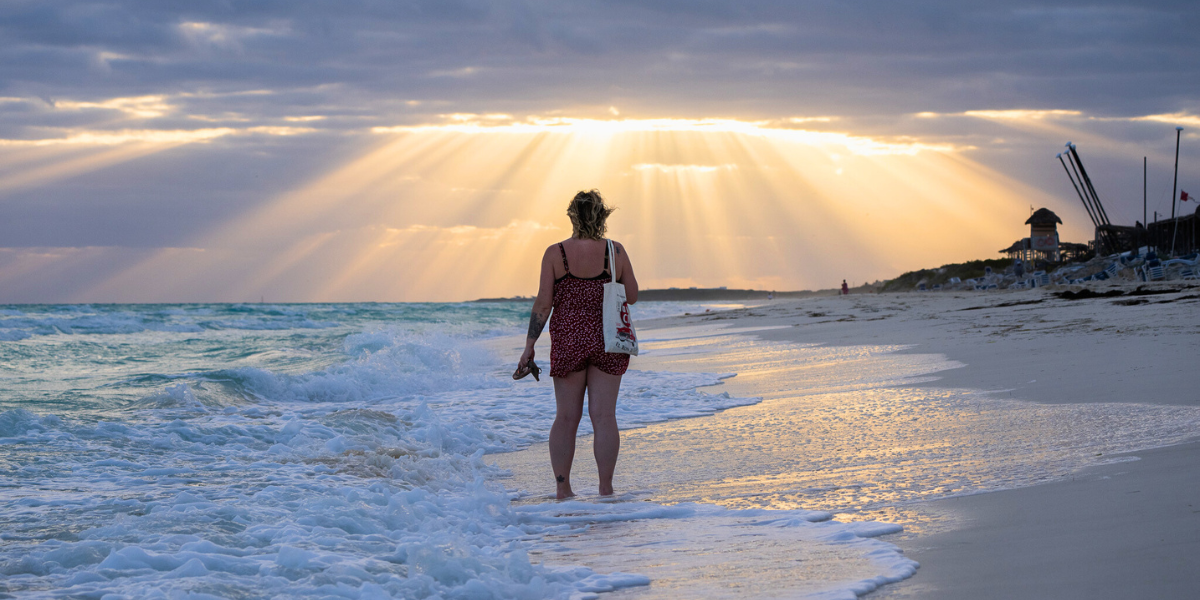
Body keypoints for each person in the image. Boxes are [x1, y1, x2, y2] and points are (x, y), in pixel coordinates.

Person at [515, 190, 638, 499]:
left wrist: (529, 346)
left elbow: (544, 304)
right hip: (609, 340)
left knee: (567, 417)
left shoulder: (556, 254)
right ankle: (606, 489)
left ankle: (563, 489)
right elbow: (632, 296)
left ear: (572, 216)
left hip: (569, 340)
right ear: (603, 216)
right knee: (604, 417)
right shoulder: (616, 252)